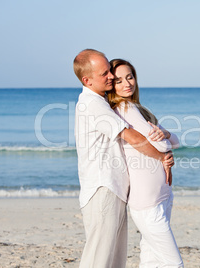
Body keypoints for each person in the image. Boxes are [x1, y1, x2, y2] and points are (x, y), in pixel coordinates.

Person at [73, 49, 174, 267]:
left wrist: (164, 140)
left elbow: (168, 138)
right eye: (105, 74)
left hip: (115, 188)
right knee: (99, 257)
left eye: (110, 71)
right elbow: (133, 137)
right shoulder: (93, 105)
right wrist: (162, 158)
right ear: (87, 80)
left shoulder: (102, 103)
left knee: (114, 257)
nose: (110, 77)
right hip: (103, 188)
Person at [108, 58, 184, 267]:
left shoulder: (139, 109)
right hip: (147, 202)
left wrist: (165, 135)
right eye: (119, 80)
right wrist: (165, 148)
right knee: (173, 263)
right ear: (111, 86)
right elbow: (162, 146)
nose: (127, 84)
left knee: (151, 261)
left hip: (161, 195)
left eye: (130, 77)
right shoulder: (124, 109)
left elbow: (175, 140)